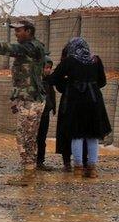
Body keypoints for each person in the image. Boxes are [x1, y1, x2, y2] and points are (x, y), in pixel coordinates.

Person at [0, 18, 49, 181]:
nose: (16, 33)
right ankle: (29, 171)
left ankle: (28, 174)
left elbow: (10, 49)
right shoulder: (32, 47)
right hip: (27, 98)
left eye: (19, 30)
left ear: (28, 31)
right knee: (26, 136)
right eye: (15, 30)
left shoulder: (31, 47)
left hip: (31, 100)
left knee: (25, 137)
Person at [48, 37, 112, 178]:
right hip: (95, 101)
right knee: (93, 136)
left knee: (76, 135)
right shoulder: (96, 60)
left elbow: (53, 79)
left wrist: (68, 84)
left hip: (75, 102)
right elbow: (102, 82)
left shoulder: (69, 61)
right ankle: (92, 168)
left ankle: (78, 168)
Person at [35, 60, 58, 171]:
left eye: (50, 68)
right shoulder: (36, 80)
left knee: (42, 138)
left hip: (45, 113)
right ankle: (31, 161)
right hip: (36, 113)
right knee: (34, 137)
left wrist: (52, 107)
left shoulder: (48, 81)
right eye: (46, 67)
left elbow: (51, 95)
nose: (48, 70)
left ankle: (40, 161)